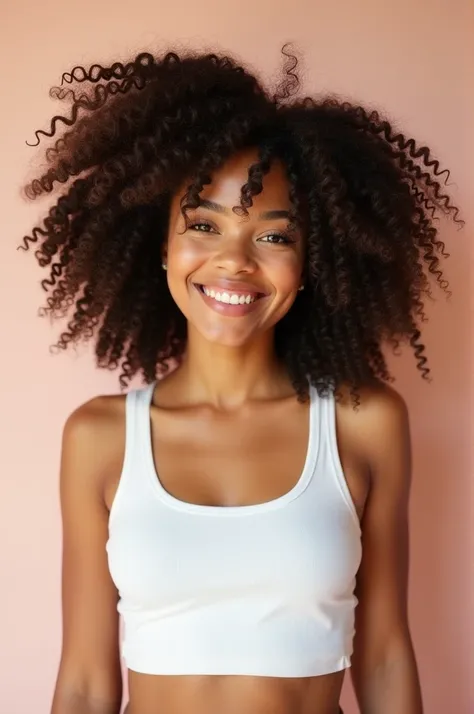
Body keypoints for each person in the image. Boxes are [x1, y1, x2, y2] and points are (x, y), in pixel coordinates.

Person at [20, 45, 463, 714]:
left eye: (274, 236)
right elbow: (83, 681)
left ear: (315, 260)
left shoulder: (362, 421)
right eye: (203, 225)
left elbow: (385, 656)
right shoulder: (100, 437)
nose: (234, 262)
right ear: (161, 245)